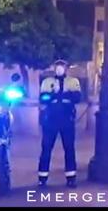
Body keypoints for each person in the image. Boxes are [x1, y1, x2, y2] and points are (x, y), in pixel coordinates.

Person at [37, 59, 82, 188]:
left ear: (66, 68)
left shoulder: (73, 82)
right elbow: (43, 98)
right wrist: (55, 94)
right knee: (46, 148)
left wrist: (61, 94)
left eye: (62, 66)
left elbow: (77, 98)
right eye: (57, 66)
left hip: (67, 119)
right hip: (50, 119)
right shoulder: (47, 82)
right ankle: (42, 178)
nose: (59, 69)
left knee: (69, 148)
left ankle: (71, 178)